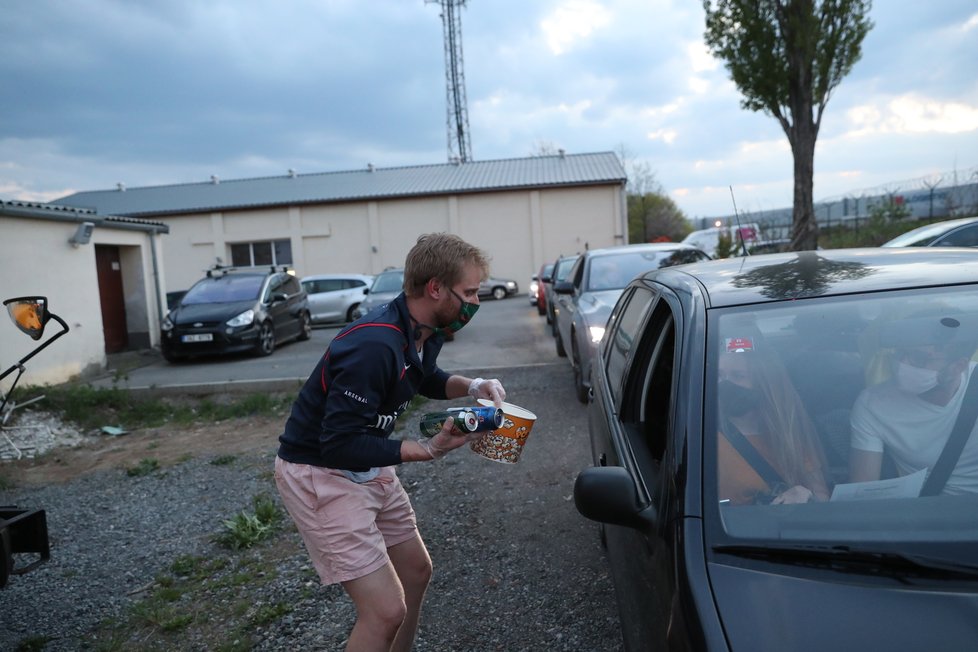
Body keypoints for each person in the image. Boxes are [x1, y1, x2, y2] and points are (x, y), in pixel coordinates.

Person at [275, 233, 506, 652]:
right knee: (384, 611)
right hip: (321, 472)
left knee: (416, 570)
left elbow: (424, 376)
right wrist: (426, 449)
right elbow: (338, 443)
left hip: (366, 459)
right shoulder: (372, 346)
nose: (476, 301)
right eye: (470, 292)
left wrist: (474, 385)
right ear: (435, 287)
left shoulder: (425, 330)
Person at [849, 314, 978, 494]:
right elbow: (861, 490)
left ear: (958, 366)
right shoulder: (873, 404)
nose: (903, 364)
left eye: (919, 358)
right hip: (925, 513)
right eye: (900, 353)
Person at [716, 332, 830, 505]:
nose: (725, 383)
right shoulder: (703, 433)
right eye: (719, 375)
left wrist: (806, 497)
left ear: (764, 383)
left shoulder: (789, 433)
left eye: (738, 376)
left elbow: (822, 497)